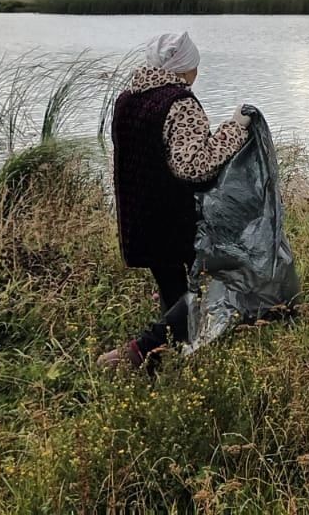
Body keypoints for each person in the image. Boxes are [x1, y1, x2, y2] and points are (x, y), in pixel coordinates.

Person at [99, 32, 252, 370]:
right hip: (173, 217)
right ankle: (135, 352)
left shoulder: (127, 99)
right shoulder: (179, 103)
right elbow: (192, 167)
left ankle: (167, 364)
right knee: (197, 299)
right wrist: (235, 129)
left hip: (136, 213)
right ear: (184, 69)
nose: (196, 73)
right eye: (195, 66)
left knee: (173, 290)